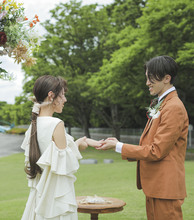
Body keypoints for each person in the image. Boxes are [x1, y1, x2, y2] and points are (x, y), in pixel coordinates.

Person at [97, 55, 189, 220]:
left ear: (167, 78)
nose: (147, 83)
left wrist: (118, 147)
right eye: (147, 78)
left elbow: (156, 150)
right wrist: (118, 144)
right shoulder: (163, 103)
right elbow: (149, 143)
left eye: (151, 78)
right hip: (156, 186)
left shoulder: (174, 107)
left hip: (165, 187)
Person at [20, 75, 102, 220]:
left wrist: (82, 142)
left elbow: (55, 157)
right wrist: (81, 144)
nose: (65, 100)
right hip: (54, 199)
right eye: (62, 95)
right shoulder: (56, 124)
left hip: (40, 197)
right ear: (51, 96)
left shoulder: (34, 125)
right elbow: (65, 164)